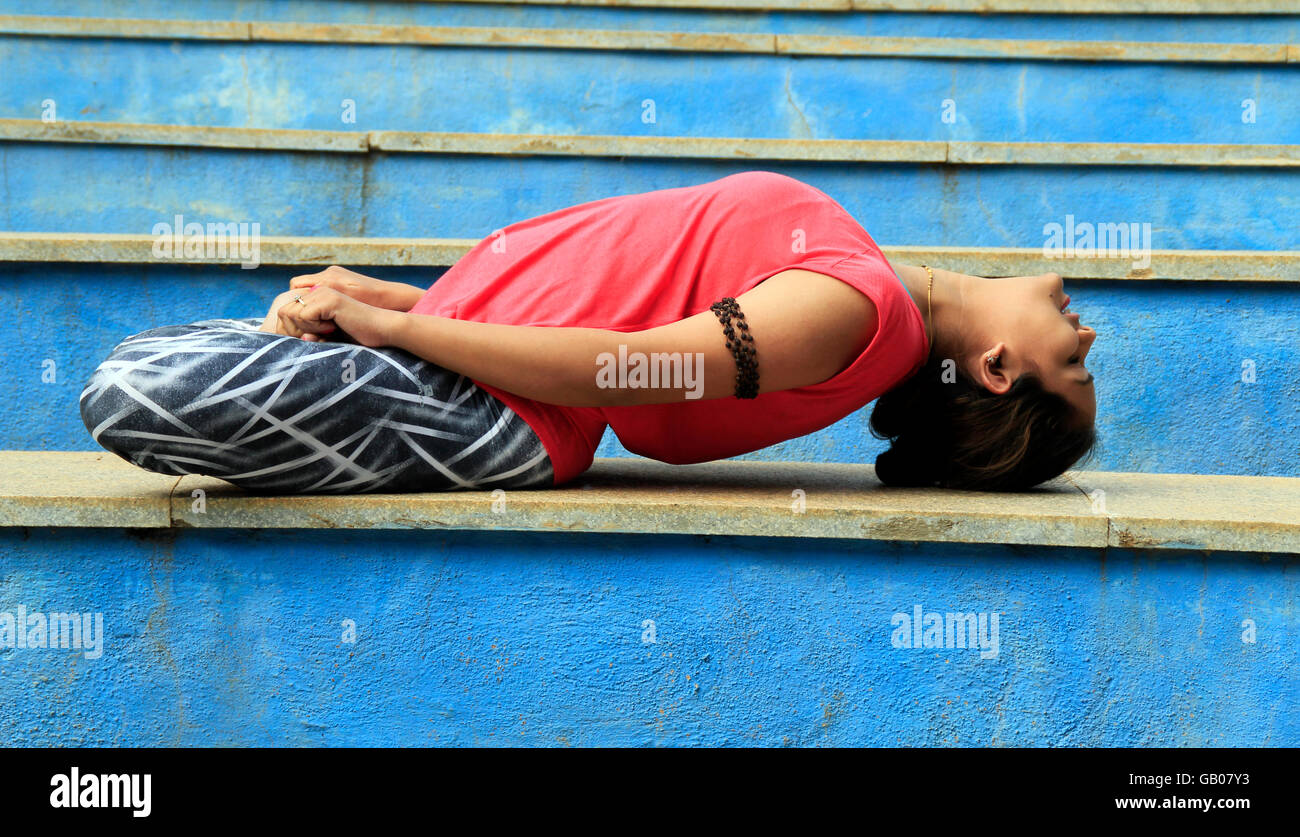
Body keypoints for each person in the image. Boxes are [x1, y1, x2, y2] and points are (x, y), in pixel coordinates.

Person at [80, 171, 1096, 494]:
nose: (1084, 330)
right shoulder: (857, 278)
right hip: (467, 372)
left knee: (132, 387)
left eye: (1075, 363)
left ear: (999, 371)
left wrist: (380, 326)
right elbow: (614, 296)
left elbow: (616, 365)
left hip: (498, 415)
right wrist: (393, 306)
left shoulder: (853, 311)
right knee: (153, 373)